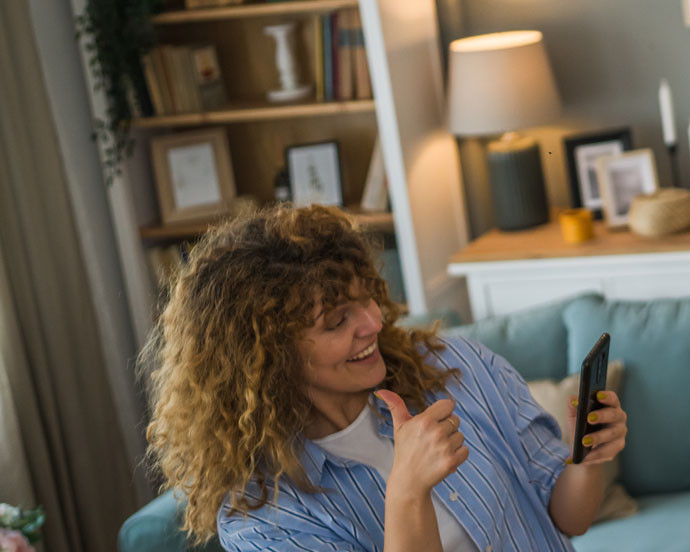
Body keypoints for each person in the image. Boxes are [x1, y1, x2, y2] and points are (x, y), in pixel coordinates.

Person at [142, 205, 628, 550]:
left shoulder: (457, 369)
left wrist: (586, 457)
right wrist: (406, 492)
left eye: (367, 298)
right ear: (267, 358)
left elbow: (570, 519)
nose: (373, 323)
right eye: (337, 321)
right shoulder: (265, 516)